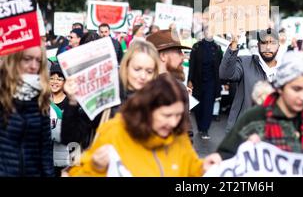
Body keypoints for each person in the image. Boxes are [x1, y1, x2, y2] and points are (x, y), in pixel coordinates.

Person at [67, 74, 218, 176]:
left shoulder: (178, 136)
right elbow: (77, 172)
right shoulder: (115, 131)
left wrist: (203, 168)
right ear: (148, 109)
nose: (173, 122)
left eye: (178, 115)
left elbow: (189, 168)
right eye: (166, 115)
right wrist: (96, 167)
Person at [215, 51, 303, 160]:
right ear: (280, 87)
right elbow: (225, 157)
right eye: (296, 89)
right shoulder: (254, 118)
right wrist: (245, 151)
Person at [61, 40, 161, 150]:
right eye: (137, 69)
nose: (143, 76)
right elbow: (70, 138)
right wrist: (72, 102)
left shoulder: (161, 102)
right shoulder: (107, 97)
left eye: (149, 71)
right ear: (126, 66)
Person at [0, 46, 54, 176]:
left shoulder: (41, 98)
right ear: (13, 60)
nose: (33, 66)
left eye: (38, 61)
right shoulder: (2, 94)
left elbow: (45, 151)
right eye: (27, 59)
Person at [219, 28, 281, 132]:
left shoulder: (285, 70)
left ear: (278, 47)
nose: (268, 47)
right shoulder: (245, 63)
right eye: (264, 43)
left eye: (272, 43)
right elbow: (225, 74)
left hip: (272, 133)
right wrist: (234, 43)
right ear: (258, 46)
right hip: (243, 131)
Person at [188, 31, 223, 140]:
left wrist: (224, 83)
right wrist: (190, 80)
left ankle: (205, 129)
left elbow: (221, 67)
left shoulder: (217, 48)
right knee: (198, 106)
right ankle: (200, 126)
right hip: (198, 80)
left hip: (211, 82)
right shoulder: (196, 47)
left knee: (208, 105)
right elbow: (192, 64)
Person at [49, 63, 71, 176]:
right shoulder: (42, 102)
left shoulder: (71, 103)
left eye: (59, 79)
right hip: (46, 158)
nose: (54, 82)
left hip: (64, 160)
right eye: (51, 78)